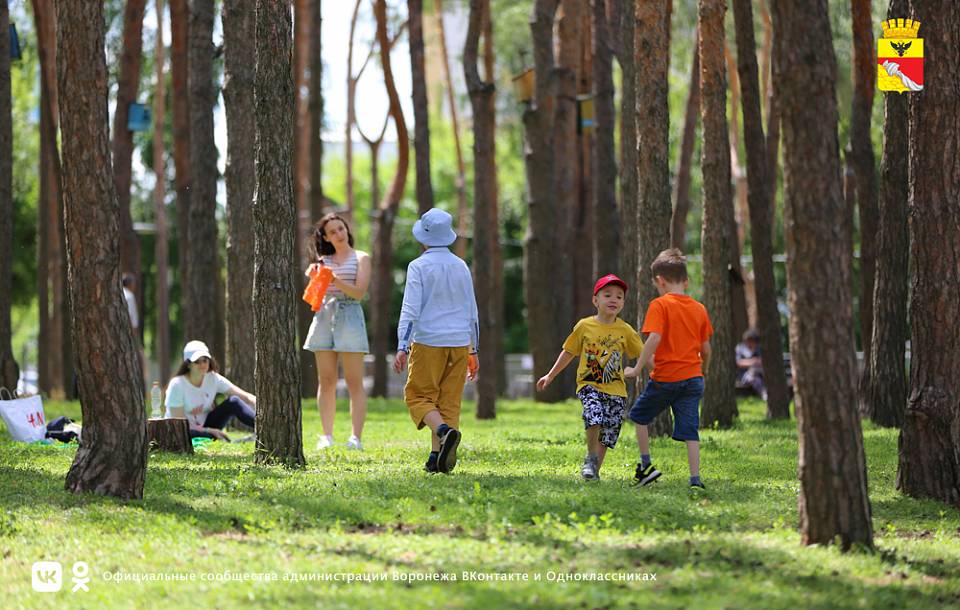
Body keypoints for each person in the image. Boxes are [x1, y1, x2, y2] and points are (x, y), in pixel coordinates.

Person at [392, 208, 479, 474]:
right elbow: (472, 310)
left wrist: (402, 345)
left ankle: (442, 431)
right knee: (448, 401)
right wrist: (473, 349)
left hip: (428, 340)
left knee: (417, 396)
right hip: (459, 342)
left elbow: (410, 309)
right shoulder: (461, 265)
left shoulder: (418, 266)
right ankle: (436, 457)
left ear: (424, 237)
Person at [536, 274, 643, 481]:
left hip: (617, 391)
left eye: (619, 297)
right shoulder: (584, 326)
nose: (613, 299)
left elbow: (643, 353)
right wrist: (550, 375)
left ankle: (593, 471)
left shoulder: (626, 330)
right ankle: (591, 458)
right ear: (596, 300)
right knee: (594, 415)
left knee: (609, 433)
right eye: (608, 295)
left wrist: (656, 370)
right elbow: (568, 352)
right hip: (589, 385)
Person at [625, 248, 713, 490]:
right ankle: (695, 479)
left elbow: (654, 339)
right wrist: (702, 371)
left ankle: (645, 467)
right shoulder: (700, 309)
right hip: (693, 379)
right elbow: (706, 349)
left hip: (665, 378)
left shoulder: (659, 305)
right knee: (691, 431)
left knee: (638, 417)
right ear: (686, 280)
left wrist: (636, 368)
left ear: (659, 281)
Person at [302, 212, 372, 450]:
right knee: (327, 380)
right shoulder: (322, 260)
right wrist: (315, 278)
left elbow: (359, 293)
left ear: (347, 230)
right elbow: (313, 297)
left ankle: (356, 438)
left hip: (350, 316)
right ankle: (327, 436)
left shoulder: (361, 258)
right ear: (326, 237)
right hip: (324, 316)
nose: (339, 234)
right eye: (332, 232)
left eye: (341, 229)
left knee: (354, 381)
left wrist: (333, 280)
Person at [164, 340, 257, 441]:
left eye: (205, 360)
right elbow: (178, 425)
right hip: (185, 430)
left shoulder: (213, 378)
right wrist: (209, 431)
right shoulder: (177, 385)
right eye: (197, 361)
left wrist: (259, 405)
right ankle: (215, 436)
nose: (202, 364)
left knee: (233, 401)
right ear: (188, 364)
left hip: (208, 426)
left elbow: (245, 397)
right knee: (200, 435)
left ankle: (263, 427)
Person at [736, 328, 767, 401]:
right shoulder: (740, 348)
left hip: (759, 373)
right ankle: (764, 395)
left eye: (752, 341)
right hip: (744, 375)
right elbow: (739, 362)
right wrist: (752, 362)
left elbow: (762, 361)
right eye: (748, 341)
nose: (749, 343)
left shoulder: (759, 349)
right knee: (754, 378)